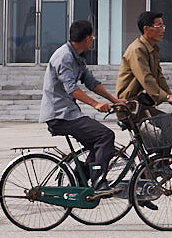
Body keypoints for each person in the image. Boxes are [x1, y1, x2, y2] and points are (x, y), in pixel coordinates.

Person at [40, 19, 119, 192]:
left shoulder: (77, 57)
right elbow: (72, 89)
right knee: (105, 136)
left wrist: (115, 101)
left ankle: (78, 179)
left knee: (97, 145)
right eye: (92, 37)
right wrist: (96, 104)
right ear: (87, 38)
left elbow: (91, 82)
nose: (93, 40)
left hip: (69, 113)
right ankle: (99, 182)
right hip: (60, 115)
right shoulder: (64, 57)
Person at [117, 10, 172, 156]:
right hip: (130, 106)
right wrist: (166, 98)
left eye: (163, 26)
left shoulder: (151, 49)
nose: (163, 30)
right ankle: (161, 165)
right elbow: (146, 78)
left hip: (140, 105)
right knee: (169, 123)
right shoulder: (137, 49)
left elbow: (159, 77)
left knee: (163, 130)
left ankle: (152, 166)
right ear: (147, 29)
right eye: (159, 26)